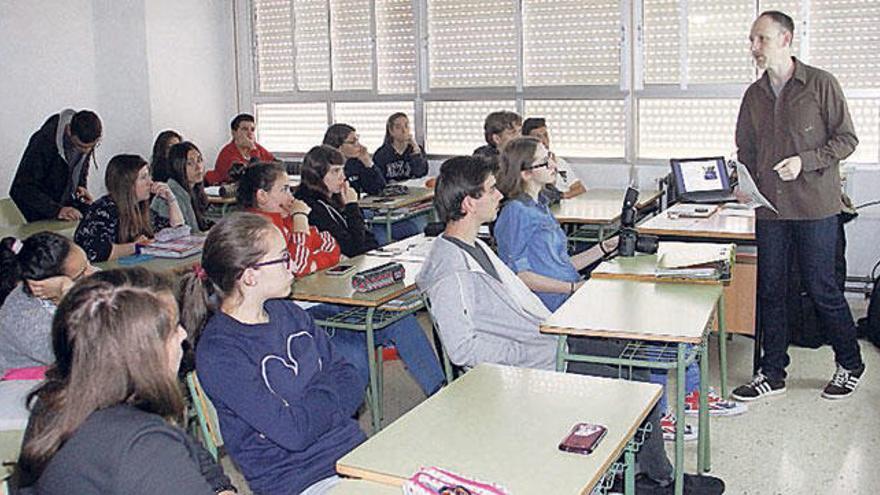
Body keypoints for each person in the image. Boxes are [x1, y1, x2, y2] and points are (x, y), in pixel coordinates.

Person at [416, 155, 725, 494]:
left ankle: (642, 473)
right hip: (524, 362)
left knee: (626, 355)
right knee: (628, 375)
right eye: (491, 190)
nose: (500, 195)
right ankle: (653, 479)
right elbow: (464, 350)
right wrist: (538, 353)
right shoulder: (450, 269)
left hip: (543, 342)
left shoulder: (473, 245)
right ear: (468, 202)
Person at [178, 213, 365, 495]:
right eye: (283, 257)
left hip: (354, 453)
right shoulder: (220, 353)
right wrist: (329, 396)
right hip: (301, 480)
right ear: (250, 276)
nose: (292, 266)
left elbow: (353, 380)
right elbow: (294, 434)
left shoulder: (289, 313)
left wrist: (305, 408)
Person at [731, 10, 865, 401]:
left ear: (787, 39)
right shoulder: (753, 95)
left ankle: (850, 364)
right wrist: (745, 184)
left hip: (815, 208)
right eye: (752, 40)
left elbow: (846, 139)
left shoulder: (820, 84)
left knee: (822, 289)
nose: (754, 47)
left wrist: (804, 161)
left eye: (762, 39)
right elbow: (746, 150)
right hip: (770, 210)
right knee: (771, 291)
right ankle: (771, 373)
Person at [14, 267, 237, 495]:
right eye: (172, 329)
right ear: (141, 354)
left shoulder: (61, 398)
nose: (182, 335)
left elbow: (198, 458)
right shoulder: (143, 446)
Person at [295, 145, 445, 396]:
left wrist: (358, 228)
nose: (342, 176)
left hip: (348, 285)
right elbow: (354, 248)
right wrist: (353, 207)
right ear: (316, 175)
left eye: (342, 169)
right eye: (335, 171)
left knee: (402, 319)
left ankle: (439, 390)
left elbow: (366, 243)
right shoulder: (311, 208)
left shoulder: (332, 198)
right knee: (363, 346)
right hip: (326, 300)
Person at [0, 232, 96, 375]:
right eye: (82, 273)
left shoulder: (82, 280)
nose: (93, 272)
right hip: (31, 386)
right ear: (45, 285)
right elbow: (92, 359)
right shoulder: (26, 321)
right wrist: (68, 299)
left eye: (88, 263)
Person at [237, 161, 340, 276]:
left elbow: (329, 242)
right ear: (262, 196)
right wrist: (301, 217)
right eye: (284, 190)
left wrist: (313, 264)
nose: (291, 197)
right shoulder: (259, 231)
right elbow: (298, 268)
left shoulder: (285, 218)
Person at [75, 154, 184, 262]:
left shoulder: (140, 208)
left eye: (149, 176)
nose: (150, 182)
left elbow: (177, 232)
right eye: (143, 178)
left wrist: (171, 200)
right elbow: (98, 252)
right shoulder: (103, 210)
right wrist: (136, 246)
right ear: (126, 184)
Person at [10, 109, 101, 222]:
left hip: (63, 213)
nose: (86, 152)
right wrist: (57, 210)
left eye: (92, 146)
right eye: (80, 146)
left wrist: (80, 189)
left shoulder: (85, 138)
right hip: (35, 217)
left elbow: (77, 174)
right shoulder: (43, 142)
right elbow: (22, 187)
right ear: (68, 131)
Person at [151, 141, 214, 233]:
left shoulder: (194, 189)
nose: (198, 167)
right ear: (178, 166)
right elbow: (179, 235)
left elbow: (203, 224)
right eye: (190, 163)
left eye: (199, 160)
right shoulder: (168, 194)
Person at [521, 117, 586, 198]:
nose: (544, 141)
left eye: (545, 135)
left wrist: (560, 196)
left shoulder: (559, 162)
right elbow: (542, 194)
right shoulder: (528, 167)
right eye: (538, 137)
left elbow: (580, 188)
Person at [205, 113, 276, 185]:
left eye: (252, 130)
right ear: (234, 133)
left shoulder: (258, 148)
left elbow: (277, 165)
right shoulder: (228, 152)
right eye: (245, 129)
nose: (250, 133)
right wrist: (253, 150)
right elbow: (251, 176)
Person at [323, 123, 386, 195]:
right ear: (338, 147)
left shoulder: (355, 162)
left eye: (357, 140)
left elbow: (379, 189)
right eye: (353, 142)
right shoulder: (327, 168)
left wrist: (368, 162)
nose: (359, 145)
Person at [372, 113, 428, 183]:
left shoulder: (416, 149)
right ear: (391, 131)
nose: (404, 130)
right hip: (391, 191)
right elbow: (378, 180)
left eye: (406, 126)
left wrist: (416, 150)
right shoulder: (381, 154)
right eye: (398, 127)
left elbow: (421, 173)